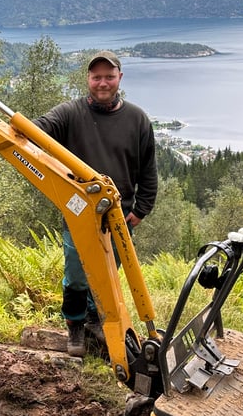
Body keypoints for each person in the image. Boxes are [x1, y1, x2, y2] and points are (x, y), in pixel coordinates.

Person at [32, 50, 158, 357]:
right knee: (77, 274)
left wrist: (140, 210)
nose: (103, 83)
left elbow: (148, 171)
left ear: (120, 79)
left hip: (119, 218)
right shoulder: (70, 114)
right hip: (77, 213)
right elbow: (35, 130)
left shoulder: (137, 119)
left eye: (109, 77)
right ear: (88, 79)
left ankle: (94, 321)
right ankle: (75, 326)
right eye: (96, 77)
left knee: (107, 277)